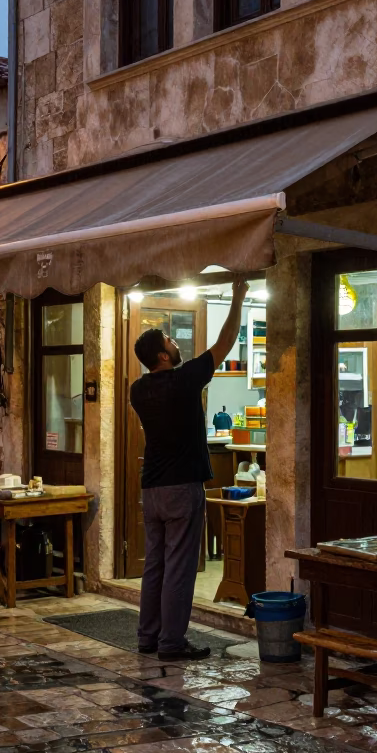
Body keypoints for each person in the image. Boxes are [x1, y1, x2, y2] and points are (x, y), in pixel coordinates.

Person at [130, 277, 249, 661]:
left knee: (155, 565)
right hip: (182, 487)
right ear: (163, 356)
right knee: (179, 567)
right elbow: (225, 343)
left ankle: (148, 637)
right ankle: (171, 643)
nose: (175, 343)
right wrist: (238, 296)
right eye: (170, 341)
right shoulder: (184, 381)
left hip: (152, 488)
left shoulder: (138, 390)